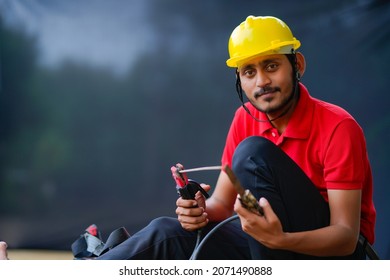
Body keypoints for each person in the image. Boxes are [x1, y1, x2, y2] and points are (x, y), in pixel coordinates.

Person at [0, 15, 376, 260]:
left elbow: (345, 237)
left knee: (251, 153)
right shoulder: (244, 118)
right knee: (167, 232)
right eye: (248, 72)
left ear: (298, 65)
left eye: (272, 66)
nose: (261, 82)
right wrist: (196, 209)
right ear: (240, 81)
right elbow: (221, 208)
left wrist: (281, 241)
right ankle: (93, 268)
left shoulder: (337, 126)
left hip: (331, 258)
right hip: (266, 245)